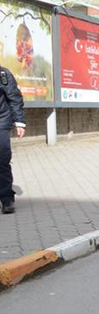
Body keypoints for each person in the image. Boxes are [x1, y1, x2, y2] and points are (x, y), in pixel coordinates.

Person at [0, 66, 25, 214]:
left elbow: (14, 98)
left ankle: (6, 198)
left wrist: (19, 122)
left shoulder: (3, 74)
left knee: (2, 158)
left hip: (1, 120)